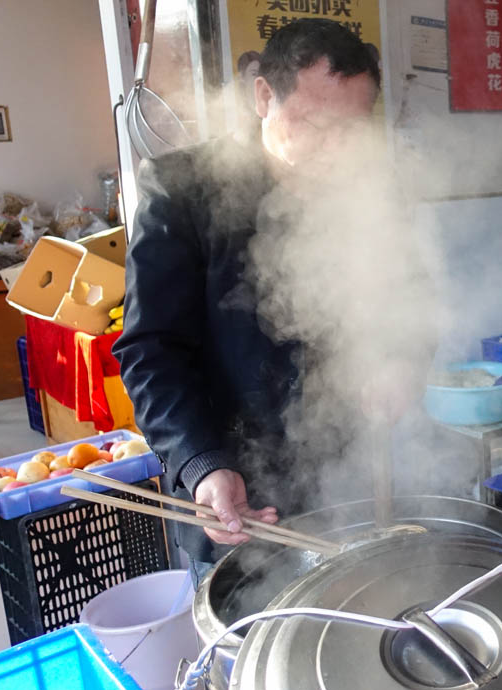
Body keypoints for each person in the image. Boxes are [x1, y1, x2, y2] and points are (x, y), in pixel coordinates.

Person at [114, 20, 415, 585]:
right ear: (262, 96)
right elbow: (151, 350)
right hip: (239, 494)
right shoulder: (182, 189)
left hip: (351, 474)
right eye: (314, 124)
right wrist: (202, 465)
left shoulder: (373, 190)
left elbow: (410, 298)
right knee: (251, 654)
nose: (335, 150)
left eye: (351, 131)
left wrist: (401, 362)